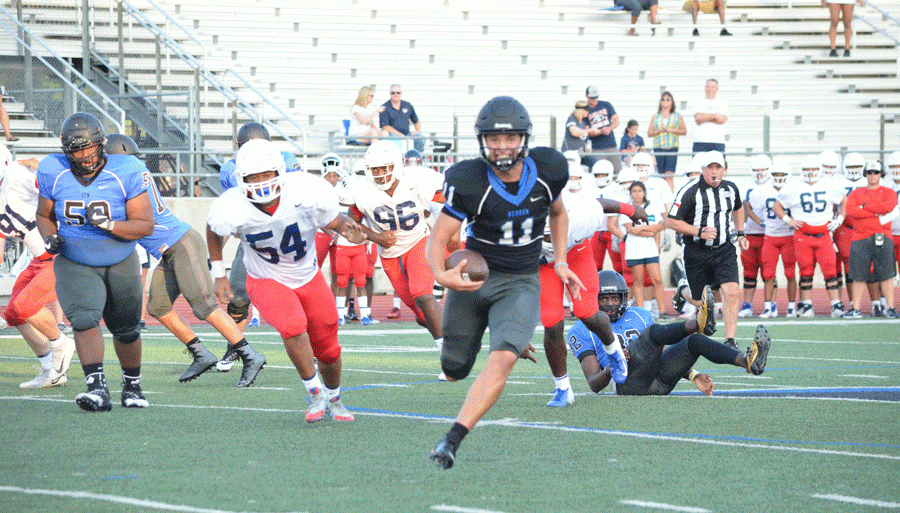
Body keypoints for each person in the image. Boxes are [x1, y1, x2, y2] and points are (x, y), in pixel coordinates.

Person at [426, 96, 630, 469]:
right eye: (494, 138)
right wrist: (441, 274)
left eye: (510, 138)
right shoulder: (468, 179)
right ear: (482, 140)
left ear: (524, 139)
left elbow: (558, 212)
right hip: (477, 274)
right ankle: (496, 333)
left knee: (502, 359)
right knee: (454, 368)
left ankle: (452, 439)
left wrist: (563, 261)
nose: (502, 146)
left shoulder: (548, 169)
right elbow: (439, 237)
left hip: (521, 279)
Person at [207, 139, 366, 423]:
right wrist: (219, 272)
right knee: (292, 326)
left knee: (329, 348)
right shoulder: (232, 205)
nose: (261, 183)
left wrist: (349, 230)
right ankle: (315, 392)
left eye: (266, 174)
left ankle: (335, 398)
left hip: (307, 275)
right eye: (253, 177)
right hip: (265, 278)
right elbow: (213, 229)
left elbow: (335, 219)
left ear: (280, 171)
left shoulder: (306, 189)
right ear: (241, 179)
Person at [105, 133, 267, 386]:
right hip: (169, 250)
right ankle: (200, 353)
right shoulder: (133, 174)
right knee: (157, 306)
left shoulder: (124, 178)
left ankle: (249, 355)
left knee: (204, 307)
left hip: (181, 244)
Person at [36, 112, 155, 412]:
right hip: (75, 257)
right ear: (67, 150)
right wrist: (49, 237)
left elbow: (144, 225)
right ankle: (97, 388)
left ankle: (132, 385)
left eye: (90, 147)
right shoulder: (54, 170)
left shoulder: (126, 169)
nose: (86, 155)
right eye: (78, 149)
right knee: (85, 318)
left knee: (126, 328)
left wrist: (110, 224)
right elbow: (43, 215)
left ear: (102, 144)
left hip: (119, 255)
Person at [540, 163, 648, 407]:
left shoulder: (580, 213)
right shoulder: (519, 222)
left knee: (586, 311)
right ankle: (562, 388)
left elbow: (600, 203)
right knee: (551, 320)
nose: (550, 236)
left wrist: (632, 209)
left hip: (576, 255)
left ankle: (613, 352)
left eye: (553, 230)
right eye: (546, 234)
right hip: (543, 264)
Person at [568, 271, 770, 397]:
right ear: (595, 300)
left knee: (694, 342)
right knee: (651, 334)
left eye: (614, 298)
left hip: (660, 382)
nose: (610, 304)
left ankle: (747, 361)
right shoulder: (582, 328)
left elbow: (661, 349)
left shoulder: (639, 314)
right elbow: (594, 384)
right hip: (628, 384)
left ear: (623, 298)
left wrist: (693, 375)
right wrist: (612, 366)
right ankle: (697, 323)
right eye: (604, 300)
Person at [343, 140, 446, 358]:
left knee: (423, 295)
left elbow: (450, 198)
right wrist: (375, 236)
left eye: (384, 168)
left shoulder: (416, 180)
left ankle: (449, 352)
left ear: (396, 165)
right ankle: (453, 332)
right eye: (375, 169)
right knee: (420, 315)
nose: (379, 174)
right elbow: (350, 223)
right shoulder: (363, 191)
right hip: (390, 255)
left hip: (419, 241)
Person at [216, 122, 301, 371]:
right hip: (256, 237)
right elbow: (233, 212)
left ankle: (316, 347)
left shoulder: (287, 161)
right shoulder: (230, 170)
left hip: (288, 233)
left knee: (302, 292)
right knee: (239, 294)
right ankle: (235, 348)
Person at [0, 143, 75, 389]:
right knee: (13, 312)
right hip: (38, 259)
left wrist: (44, 169)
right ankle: (50, 368)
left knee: (26, 305)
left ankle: (61, 342)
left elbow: (64, 186)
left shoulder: (15, 177)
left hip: (60, 252)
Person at [667, 151, 747, 350]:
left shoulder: (731, 188)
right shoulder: (690, 190)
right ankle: (683, 290)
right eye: (709, 168)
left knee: (731, 292)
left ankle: (729, 341)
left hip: (724, 250)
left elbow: (738, 208)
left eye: (717, 167)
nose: (713, 172)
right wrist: (698, 231)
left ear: (724, 170)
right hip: (696, 251)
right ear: (702, 170)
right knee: (702, 302)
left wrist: (741, 232)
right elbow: (670, 221)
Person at [773, 155, 847, 317]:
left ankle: (836, 305)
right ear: (802, 171)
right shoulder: (794, 186)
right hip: (803, 235)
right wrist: (788, 220)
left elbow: (844, 200)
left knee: (830, 271)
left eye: (814, 169)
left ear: (820, 170)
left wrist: (840, 218)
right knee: (806, 270)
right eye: (807, 169)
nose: (811, 173)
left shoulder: (828, 184)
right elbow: (777, 206)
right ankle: (806, 304)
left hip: (824, 234)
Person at [843, 161, 898, 318]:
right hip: (860, 237)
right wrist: (876, 211)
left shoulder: (889, 192)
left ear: (881, 174)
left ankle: (890, 308)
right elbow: (851, 211)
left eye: (876, 172)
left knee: (886, 275)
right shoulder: (855, 193)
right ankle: (856, 308)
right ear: (865, 174)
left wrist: (864, 207)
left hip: (883, 236)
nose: (872, 175)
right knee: (859, 275)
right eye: (869, 172)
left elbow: (889, 207)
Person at [757, 161, 799, 318]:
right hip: (770, 236)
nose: (779, 178)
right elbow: (749, 207)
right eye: (776, 175)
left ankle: (791, 307)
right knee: (768, 274)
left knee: (790, 273)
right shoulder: (762, 190)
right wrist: (760, 222)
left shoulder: (794, 190)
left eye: (782, 175)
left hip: (788, 236)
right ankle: (768, 307)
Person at [621, 180, 667, 318]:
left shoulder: (651, 207)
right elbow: (630, 230)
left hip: (650, 248)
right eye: (634, 191)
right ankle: (641, 313)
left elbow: (659, 226)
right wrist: (650, 232)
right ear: (630, 193)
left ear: (644, 192)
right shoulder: (627, 209)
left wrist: (641, 228)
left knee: (657, 280)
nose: (637, 194)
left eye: (640, 191)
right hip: (634, 249)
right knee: (638, 281)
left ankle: (663, 311)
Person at [738, 154, 772, 318]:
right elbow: (741, 209)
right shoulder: (745, 186)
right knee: (749, 272)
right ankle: (747, 304)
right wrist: (739, 231)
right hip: (750, 233)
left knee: (769, 272)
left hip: (769, 235)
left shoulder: (775, 185)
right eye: (756, 170)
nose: (759, 173)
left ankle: (770, 304)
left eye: (763, 170)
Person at [647, 91, 686, 191]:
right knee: (662, 176)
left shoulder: (677, 116)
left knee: (669, 175)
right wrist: (657, 131)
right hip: (659, 147)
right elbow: (649, 133)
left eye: (668, 99)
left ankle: (670, 198)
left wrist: (671, 130)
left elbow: (684, 131)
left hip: (671, 148)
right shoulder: (655, 116)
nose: (665, 101)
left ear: (672, 102)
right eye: (663, 99)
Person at [584, 86, 622, 174]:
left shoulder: (606, 105)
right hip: (596, 149)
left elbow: (616, 120)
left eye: (596, 97)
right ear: (586, 96)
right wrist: (601, 131)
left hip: (612, 146)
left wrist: (609, 128)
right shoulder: (585, 110)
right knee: (598, 173)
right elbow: (587, 131)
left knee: (617, 172)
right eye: (592, 97)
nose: (595, 99)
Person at [379, 85, 425, 152]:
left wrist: (418, 131)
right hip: (393, 135)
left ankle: (414, 157)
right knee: (393, 141)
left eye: (398, 93)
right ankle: (398, 160)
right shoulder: (385, 107)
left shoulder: (407, 105)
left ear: (401, 93)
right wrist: (401, 135)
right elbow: (385, 127)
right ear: (390, 94)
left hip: (407, 134)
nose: (395, 94)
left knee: (421, 139)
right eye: (393, 93)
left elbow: (416, 121)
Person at [690, 79, 729, 156]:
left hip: (718, 141)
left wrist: (705, 118)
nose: (710, 89)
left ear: (717, 89)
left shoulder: (722, 103)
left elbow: (722, 120)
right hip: (700, 141)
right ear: (705, 88)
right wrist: (715, 116)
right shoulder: (698, 102)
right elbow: (698, 118)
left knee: (718, 167)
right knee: (698, 167)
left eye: (713, 87)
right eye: (708, 86)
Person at [561, 101, 595, 171]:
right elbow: (574, 132)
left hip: (581, 153)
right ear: (581, 110)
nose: (588, 112)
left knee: (596, 164)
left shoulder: (582, 122)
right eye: (586, 110)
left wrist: (588, 148)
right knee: (573, 170)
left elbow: (584, 138)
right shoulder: (571, 119)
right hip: (571, 154)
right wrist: (590, 130)